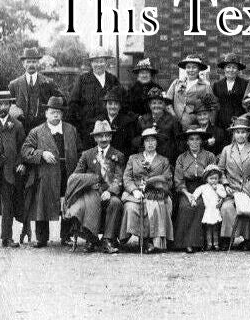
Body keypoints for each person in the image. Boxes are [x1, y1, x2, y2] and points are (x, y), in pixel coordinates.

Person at [21, 95, 80, 247]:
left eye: (58, 112)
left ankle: (66, 236)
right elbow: (25, 150)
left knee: (67, 203)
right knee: (43, 203)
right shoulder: (37, 131)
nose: (55, 115)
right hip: (46, 174)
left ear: (62, 114)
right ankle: (41, 238)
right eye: (52, 111)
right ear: (46, 113)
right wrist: (42, 154)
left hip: (68, 172)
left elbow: (81, 152)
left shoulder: (71, 130)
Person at [64, 120, 125, 253]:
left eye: (107, 135)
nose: (104, 139)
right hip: (91, 192)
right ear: (95, 138)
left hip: (108, 192)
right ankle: (90, 238)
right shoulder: (87, 154)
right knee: (85, 203)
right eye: (100, 136)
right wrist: (91, 181)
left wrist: (110, 191)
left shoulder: (118, 155)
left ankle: (107, 240)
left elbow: (119, 178)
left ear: (111, 137)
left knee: (115, 203)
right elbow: (76, 176)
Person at [0, 91, 26, 248]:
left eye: (6, 104)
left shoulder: (17, 125)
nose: (2, 107)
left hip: (9, 171)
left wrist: (21, 163)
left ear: (10, 105)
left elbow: (23, 148)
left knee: (8, 205)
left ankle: (7, 238)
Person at [120, 126, 174, 253]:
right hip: (136, 194)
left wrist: (155, 185)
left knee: (155, 205)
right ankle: (142, 238)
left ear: (157, 142)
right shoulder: (133, 158)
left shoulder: (163, 160)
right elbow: (127, 177)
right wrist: (134, 190)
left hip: (156, 193)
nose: (150, 143)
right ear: (143, 143)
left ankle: (152, 240)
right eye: (147, 140)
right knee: (130, 208)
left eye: (153, 140)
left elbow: (168, 180)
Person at [217, 118, 250, 249]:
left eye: (243, 132)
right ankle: (227, 238)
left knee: (248, 208)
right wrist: (226, 185)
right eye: (237, 132)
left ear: (248, 134)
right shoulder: (227, 150)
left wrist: (249, 188)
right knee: (227, 207)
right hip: (231, 189)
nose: (240, 135)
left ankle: (247, 239)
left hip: (249, 188)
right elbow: (220, 171)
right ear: (233, 134)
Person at [172, 125, 217, 253]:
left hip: (205, 188)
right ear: (187, 142)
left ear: (202, 141)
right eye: (191, 139)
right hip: (187, 188)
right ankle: (186, 243)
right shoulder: (181, 158)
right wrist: (187, 194)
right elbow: (178, 180)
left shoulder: (209, 156)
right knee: (185, 206)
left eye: (197, 139)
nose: (194, 142)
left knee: (201, 205)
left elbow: (214, 175)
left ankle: (200, 242)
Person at [67, 48, 121, 140]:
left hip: (110, 130)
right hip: (88, 130)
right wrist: (81, 125)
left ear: (106, 62)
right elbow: (73, 105)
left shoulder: (113, 80)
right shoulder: (82, 80)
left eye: (101, 61)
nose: (99, 64)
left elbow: (121, 101)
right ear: (91, 63)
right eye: (95, 62)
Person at [8, 47, 61, 129]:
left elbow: (61, 100)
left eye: (34, 61)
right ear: (23, 64)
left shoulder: (49, 82)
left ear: (38, 63)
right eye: (28, 62)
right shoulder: (14, 85)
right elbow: (8, 106)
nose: (31, 64)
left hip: (43, 128)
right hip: (22, 128)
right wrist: (13, 110)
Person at [136, 87, 181, 162]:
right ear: (149, 105)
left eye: (160, 103)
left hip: (166, 160)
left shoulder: (173, 120)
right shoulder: (142, 120)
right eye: (154, 103)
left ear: (164, 105)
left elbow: (178, 143)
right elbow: (137, 141)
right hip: (146, 160)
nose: (157, 106)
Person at [166, 55, 212, 127]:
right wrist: (173, 115)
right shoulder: (177, 83)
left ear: (199, 69)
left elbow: (209, 107)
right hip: (175, 123)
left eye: (194, 67)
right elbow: (167, 101)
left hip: (194, 124)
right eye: (188, 67)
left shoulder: (205, 86)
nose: (191, 70)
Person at [211, 53, 248, 137]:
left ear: (238, 70)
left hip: (239, 123)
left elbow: (247, 105)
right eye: (228, 67)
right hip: (221, 123)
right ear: (224, 69)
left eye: (234, 67)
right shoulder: (217, 85)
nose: (231, 70)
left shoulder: (245, 84)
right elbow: (214, 106)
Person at [193, 164, 227, 251]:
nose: (213, 181)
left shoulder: (219, 187)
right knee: (208, 229)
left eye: (215, 179)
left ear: (218, 179)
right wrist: (193, 200)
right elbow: (196, 193)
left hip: (215, 210)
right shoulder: (204, 187)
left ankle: (216, 244)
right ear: (206, 179)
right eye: (211, 179)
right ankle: (209, 244)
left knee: (215, 228)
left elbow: (224, 195)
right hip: (208, 211)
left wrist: (217, 190)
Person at [98, 89, 137, 158]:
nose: (113, 107)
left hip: (121, 160)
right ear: (106, 105)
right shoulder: (99, 121)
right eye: (110, 103)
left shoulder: (127, 122)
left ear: (120, 106)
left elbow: (130, 147)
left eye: (116, 104)